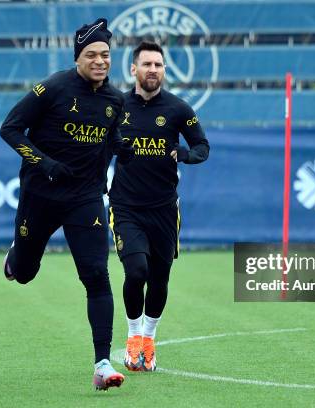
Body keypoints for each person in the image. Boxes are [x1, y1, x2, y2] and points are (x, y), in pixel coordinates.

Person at [0, 18, 132, 391]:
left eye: (105, 54)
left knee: (97, 275)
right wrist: (45, 163)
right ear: (78, 58)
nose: (100, 61)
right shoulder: (54, 87)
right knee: (24, 273)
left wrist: (120, 148)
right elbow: (9, 128)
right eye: (92, 55)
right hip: (40, 195)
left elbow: (110, 136)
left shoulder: (115, 100)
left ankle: (103, 364)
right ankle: (15, 256)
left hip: (85, 198)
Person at [108, 41, 210, 372]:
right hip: (125, 207)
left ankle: (149, 341)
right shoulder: (116, 105)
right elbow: (96, 142)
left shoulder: (179, 109)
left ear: (164, 70)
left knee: (159, 276)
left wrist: (184, 154)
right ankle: (133, 337)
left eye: (159, 65)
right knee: (136, 270)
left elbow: (202, 146)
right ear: (133, 69)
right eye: (147, 64)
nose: (153, 69)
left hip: (165, 209)